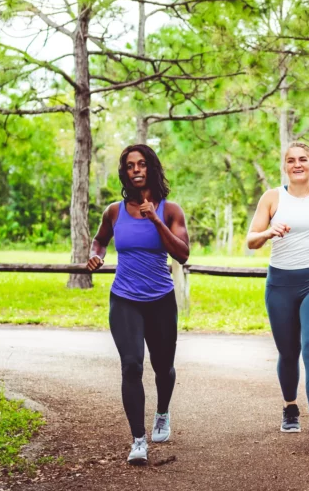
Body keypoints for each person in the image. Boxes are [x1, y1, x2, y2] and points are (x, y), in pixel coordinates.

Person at [86, 144, 190, 466]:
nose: (136, 169)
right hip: (125, 298)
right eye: (130, 165)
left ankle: (162, 412)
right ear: (125, 173)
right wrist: (97, 254)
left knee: (163, 367)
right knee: (131, 365)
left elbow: (183, 254)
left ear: (151, 169)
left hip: (160, 299)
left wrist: (155, 220)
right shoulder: (114, 212)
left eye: (141, 164)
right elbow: (100, 239)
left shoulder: (170, 210)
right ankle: (138, 440)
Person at [247, 142, 309, 450]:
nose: (297, 164)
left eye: (303, 159)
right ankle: (290, 406)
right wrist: (268, 233)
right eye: (291, 160)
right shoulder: (273, 198)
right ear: (285, 167)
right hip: (280, 284)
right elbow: (251, 240)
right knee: (288, 351)